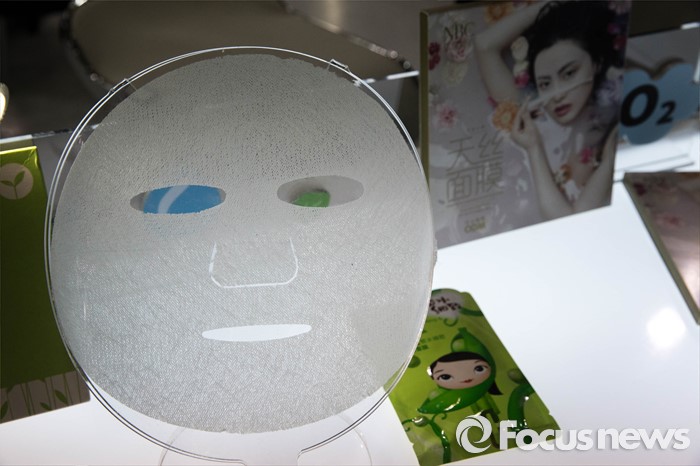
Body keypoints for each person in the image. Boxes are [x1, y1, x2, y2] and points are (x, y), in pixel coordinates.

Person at [475, 1, 624, 219]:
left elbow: (572, 224)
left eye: (569, 74)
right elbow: (484, 45)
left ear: (596, 64)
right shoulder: (532, 120)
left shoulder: (611, 128)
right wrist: (553, 2)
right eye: (545, 84)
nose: (556, 95)